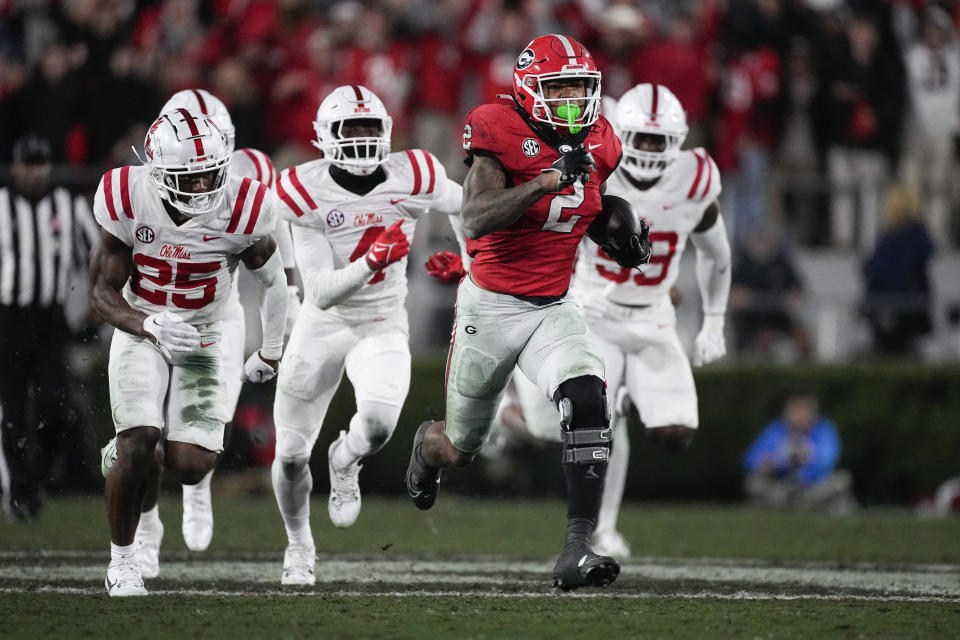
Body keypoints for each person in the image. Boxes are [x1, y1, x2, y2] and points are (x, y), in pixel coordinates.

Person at [433, 84, 732, 558]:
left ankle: (583, 541)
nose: (650, 150)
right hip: (580, 307)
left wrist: (706, 315)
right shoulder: (548, 148)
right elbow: (504, 225)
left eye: (660, 141)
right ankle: (511, 424)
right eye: (643, 139)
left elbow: (710, 249)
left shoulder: (674, 171)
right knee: (549, 428)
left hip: (638, 316)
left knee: (661, 429)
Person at [404, 34, 651, 592]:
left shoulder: (602, 140)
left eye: (579, 88)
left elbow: (583, 210)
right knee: (461, 448)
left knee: (589, 397)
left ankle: (576, 550)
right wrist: (544, 179)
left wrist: (621, 235)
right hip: (489, 308)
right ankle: (427, 447)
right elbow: (476, 217)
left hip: (554, 306)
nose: (570, 100)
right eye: (557, 87)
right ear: (528, 90)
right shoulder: (496, 127)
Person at [271, 85, 464, 586]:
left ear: (386, 133)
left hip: (381, 321)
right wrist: (372, 260)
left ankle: (345, 457)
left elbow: (467, 207)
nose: (360, 139)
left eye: (368, 129)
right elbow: (320, 293)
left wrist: (472, 262)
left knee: (377, 425)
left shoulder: (414, 172)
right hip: (322, 326)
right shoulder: (303, 189)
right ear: (322, 136)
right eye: (348, 129)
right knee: (290, 455)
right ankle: (298, 546)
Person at [90, 107, 288, 596]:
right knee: (139, 441)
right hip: (144, 323)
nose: (202, 188)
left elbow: (273, 281)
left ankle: (133, 454)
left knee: (191, 462)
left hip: (209, 327)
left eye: (209, 175)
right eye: (189, 177)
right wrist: (146, 323)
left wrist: (271, 349)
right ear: (156, 173)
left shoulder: (244, 206)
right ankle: (122, 562)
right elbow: (101, 291)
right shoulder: (126, 195)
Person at [136, 88, 301, 556]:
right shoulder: (136, 187)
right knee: (146, 424)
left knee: (205, 425)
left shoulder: (253, 173)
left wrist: (289, 295)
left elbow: (276, 244)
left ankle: (196, 487)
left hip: (216, 309)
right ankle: (146, 520)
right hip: (153, 308)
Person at [0, 134, 100, 521]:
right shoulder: (3, 205)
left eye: (40, 163)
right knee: (11, 414)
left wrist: (96, 304)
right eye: (28, 163)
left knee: (57, 409)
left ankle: (34, 479)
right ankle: (21, 495)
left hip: (50, 321)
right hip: (8, 318)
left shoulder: (69, 206)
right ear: (16, 166)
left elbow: (96, 257)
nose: (34, 170)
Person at [742, 392, 856, 513]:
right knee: (753, 482)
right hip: (780, 487)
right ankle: (793, 504)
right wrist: (777, 462)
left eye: (804, 410)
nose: (800, 415)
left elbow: (828, 459)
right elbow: (750, 460)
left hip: (814, 487)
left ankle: (799, 504)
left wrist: (809, 459)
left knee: (842, 479)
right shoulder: (775, 430)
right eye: (796, 409)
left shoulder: (824, 430)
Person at [862, 182, 933, 356]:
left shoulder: (907, 238)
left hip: (899, 307)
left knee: (896, 353)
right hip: (893, 306)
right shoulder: (900, 237)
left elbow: (880, 270)